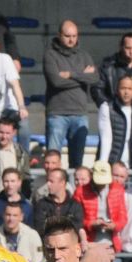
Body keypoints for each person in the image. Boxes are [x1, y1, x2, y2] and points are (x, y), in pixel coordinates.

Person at [44, 20, 97, 168]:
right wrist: (82, 76)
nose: (71, 39)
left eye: (74, 36)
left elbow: (94, 78)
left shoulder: (84, 55)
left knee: (77, 164)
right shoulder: (50, 55)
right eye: (67, 35)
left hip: (80, 114)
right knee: (52, 163)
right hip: (57, 114)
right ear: (59, 35)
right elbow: (56, 82)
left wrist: (71, 74)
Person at [72, 160, 126, 262]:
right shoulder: (80, 192)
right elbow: (76, 220)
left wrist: (114, 225)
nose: (102, 184)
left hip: (112, 245)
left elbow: (123, 217)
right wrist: (92, 224)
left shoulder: (118, 190)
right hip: (89, 245)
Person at [97, 75, 132, 169]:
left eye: (130, 89)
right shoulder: (107, 108)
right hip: (112, 163)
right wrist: (103, 164)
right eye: (123, 88)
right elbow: (106, 138)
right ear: (117, 90)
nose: (126, 92)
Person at [0, 167, 33, 239]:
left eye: (12, 181)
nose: (9, 185)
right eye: (6, 181)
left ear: (19, 182)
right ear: (2, 182)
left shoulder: (27, 206)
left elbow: (31, 230)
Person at [32, 168, 83, 237]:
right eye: (47, 181)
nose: (48, 184)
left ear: (62, 183)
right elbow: (40, 228)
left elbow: (76, 229)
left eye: (51, 181)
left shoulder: (75, 206)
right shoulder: (41, 204)